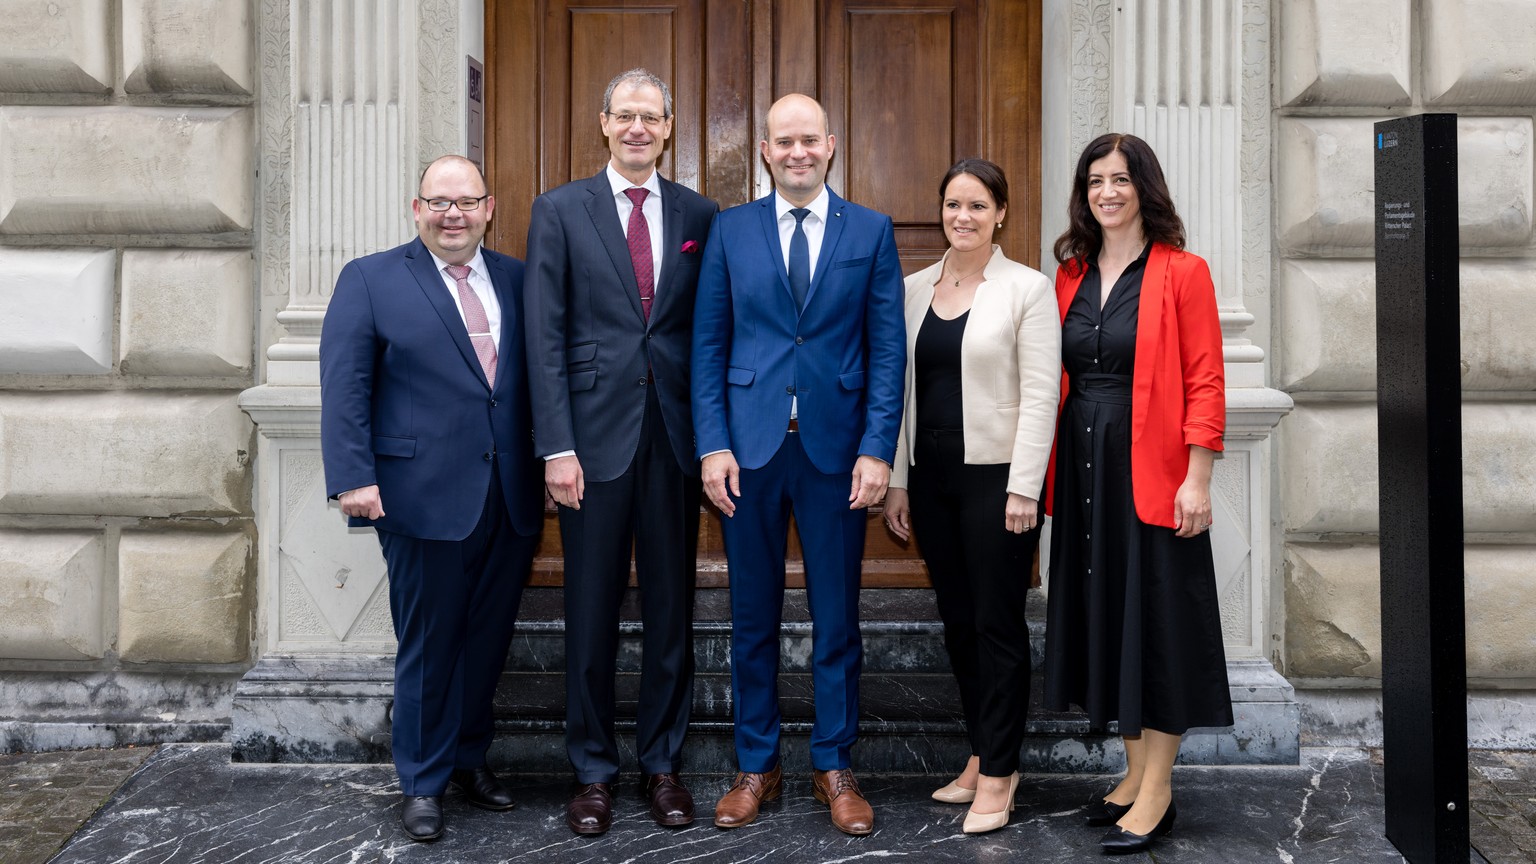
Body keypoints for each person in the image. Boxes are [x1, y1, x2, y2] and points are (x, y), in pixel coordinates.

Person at [691, 93, 905, 836]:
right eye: (783, 141)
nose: (797, 152)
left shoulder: (870, 231)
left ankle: (834, 765)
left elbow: (887, 351)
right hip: (746, 455)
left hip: (837, 455)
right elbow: (708, 346)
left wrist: (878, 449)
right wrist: (711, 444)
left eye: (808, 140)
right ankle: (757, 764)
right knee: (751, 617)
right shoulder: (731, 231)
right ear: (765, 151)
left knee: (836, 619)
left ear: (832, 145)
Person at [318, 155, 544, 842]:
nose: (454, 214)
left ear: (489, 207)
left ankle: (470, 762)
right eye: (439, 202)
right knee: (429, 643)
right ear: (416, 209)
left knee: (486, 642)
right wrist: (353, 477)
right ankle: (421, 781)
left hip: (508, 496)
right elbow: (346, 386)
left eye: (467, 201)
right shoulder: (371, 279)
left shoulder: (516, 278)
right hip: (418, 498)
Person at [524, 68, 718, 835]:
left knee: (673, 611)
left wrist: (714, 444)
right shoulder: (559, 211)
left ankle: (662, 766)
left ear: (669, 128)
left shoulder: (700, 212)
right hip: (590, 446)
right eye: (625, 115)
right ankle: (594, 773)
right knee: (591, 611)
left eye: (651, 117)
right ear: (603, 123)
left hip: (674, 440)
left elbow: (707, 334)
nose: (638, 128)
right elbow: (544, 336)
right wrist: (555, 447)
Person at [1042, 132, 1232, 855]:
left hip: (1153, 473)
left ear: (1144, 187)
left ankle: (1158, 790)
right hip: (1086, 471)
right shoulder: (1070, 273)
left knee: (1156, 629)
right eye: (1095, 180)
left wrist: (1199, 475)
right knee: (1111, 622)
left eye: (1120, 179)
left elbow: (1207, 378)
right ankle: (1130, 773)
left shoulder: (1184, 272)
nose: (1106, 192)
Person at [882, 158, 1060, 834]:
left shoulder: (1027, 289)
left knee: (997, 625)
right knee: (959, 625)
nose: (963, 217)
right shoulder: (914, 288)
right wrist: (898, 478)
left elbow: (1042, 395)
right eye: (953, 205)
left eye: (978, 206)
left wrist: (1026, 487)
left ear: (1001, 214)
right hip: (932, 482)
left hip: (999, 484)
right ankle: (982, 749)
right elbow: (899, 393)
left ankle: (1001, 773)